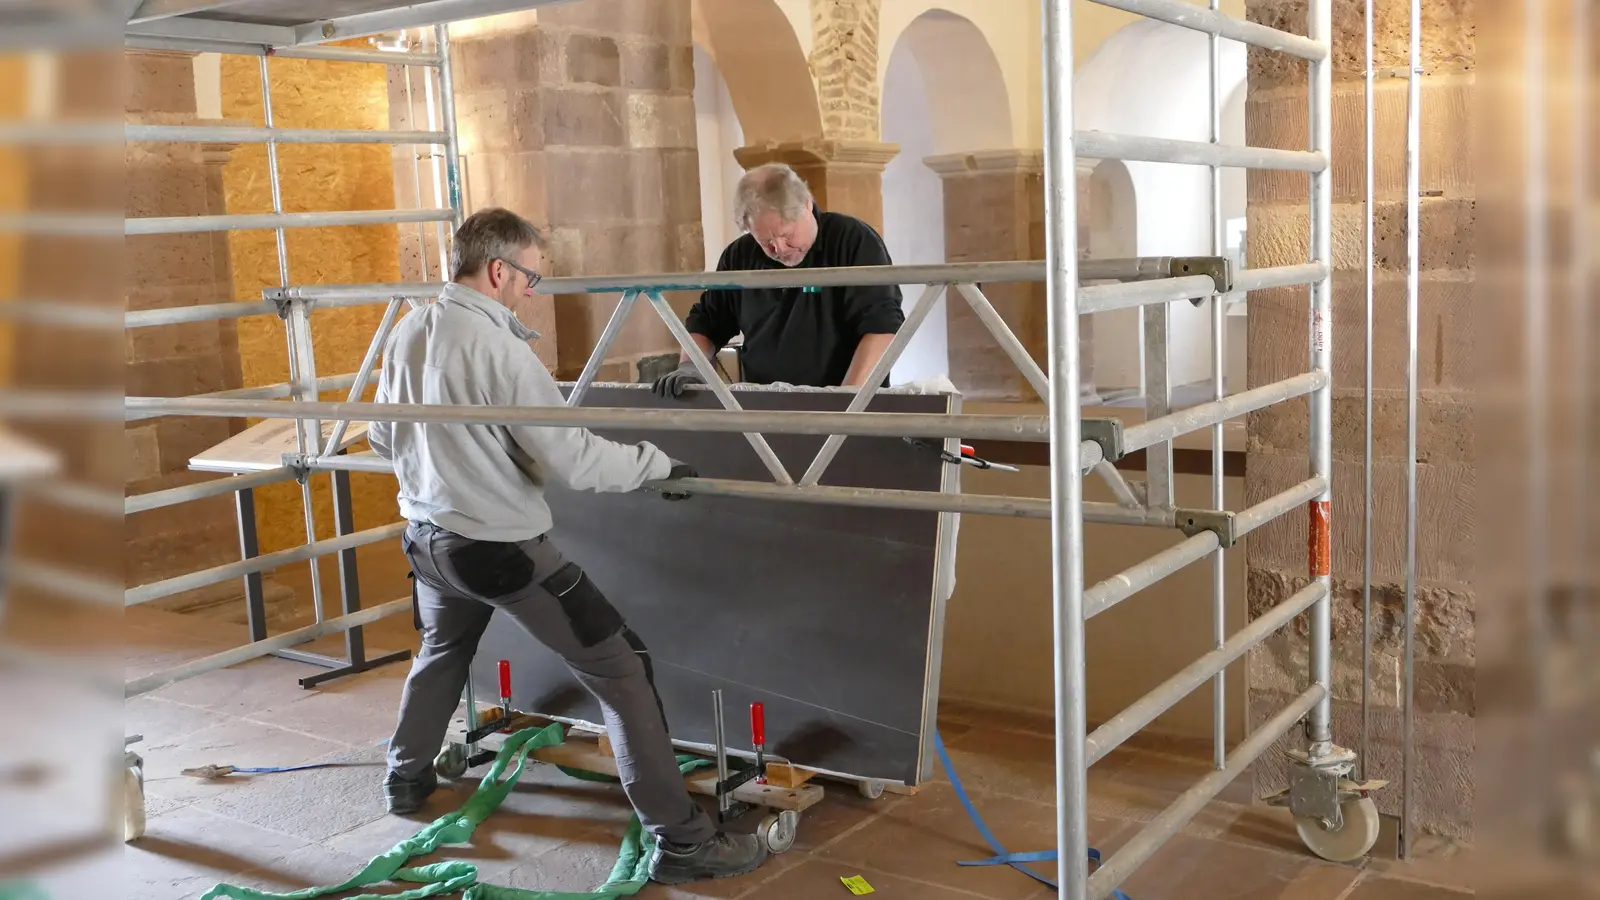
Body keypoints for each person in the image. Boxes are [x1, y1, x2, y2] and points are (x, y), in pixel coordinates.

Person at [369, 207, 768, 884]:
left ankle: (404, 779)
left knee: (443, 650)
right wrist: (656, 465)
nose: (532, 291)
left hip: (427, 542)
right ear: (498, 270)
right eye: (530, 277)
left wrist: (458, 464)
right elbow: (575, 461)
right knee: (623, 669)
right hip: (497, 550)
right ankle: (682, 840)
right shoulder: (500, 350)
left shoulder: (408, 331)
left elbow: (382, 438)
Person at [652, 163, 905, 398]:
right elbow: (708, 320)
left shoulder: (853, 241)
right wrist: (690, 367)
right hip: (766, 409)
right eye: (765, 242)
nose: (780, 249)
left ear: (807, 205)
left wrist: (846, 402)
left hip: (848, 403)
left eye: (787, 235)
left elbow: (881, 327)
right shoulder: (739, 255)